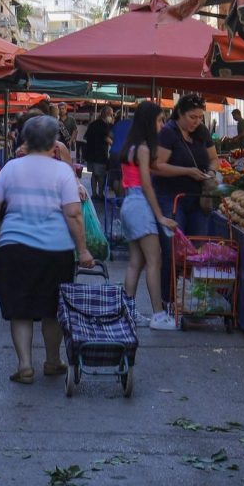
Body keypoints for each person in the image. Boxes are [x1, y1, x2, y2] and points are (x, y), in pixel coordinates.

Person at [0, 116, 95, 384]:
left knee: (19, 309)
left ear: (25, 140)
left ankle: (24, 365)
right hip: (55, 250)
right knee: (52, 308)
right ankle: (52, 360)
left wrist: (4, 230)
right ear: (53, 144)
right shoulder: (62, 172)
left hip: (14, 248)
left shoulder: (11, 168)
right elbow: (73, 214)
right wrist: (83, 250)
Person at [118, 101, 178, 331]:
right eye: (160, 120)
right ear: (149, 121)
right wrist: (160, 216)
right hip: (140, 205)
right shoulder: (143, 149)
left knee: (136, 262)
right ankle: (158, 314)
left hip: (129, 205)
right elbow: (146, 185)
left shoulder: (131, 147)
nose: (163, 124)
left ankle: (128, 312)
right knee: (155, 261)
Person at [153, 94, 218, 301]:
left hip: (198, 199)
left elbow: (214, 159)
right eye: (192, 117)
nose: (197, 121)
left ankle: (193, 298)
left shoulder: (202, 132)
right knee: (173, 250)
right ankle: (170, 299)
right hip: (171, 198)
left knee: (198, 249)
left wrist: (212, 173)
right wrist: (187, 171)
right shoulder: (168, 133)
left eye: (200, 117)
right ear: (180, 113)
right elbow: (158, 166)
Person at [83, 106, 115, 200]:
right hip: (100, 154)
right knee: (100, 175)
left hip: (90, 153)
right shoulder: (105, 126)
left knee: (94, 174)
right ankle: (100, 194)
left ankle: (94, 193)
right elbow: (107, 138)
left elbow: (85, 137)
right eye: (111, 114)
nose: (112, 116)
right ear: (106, 114)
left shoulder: (93, 124)